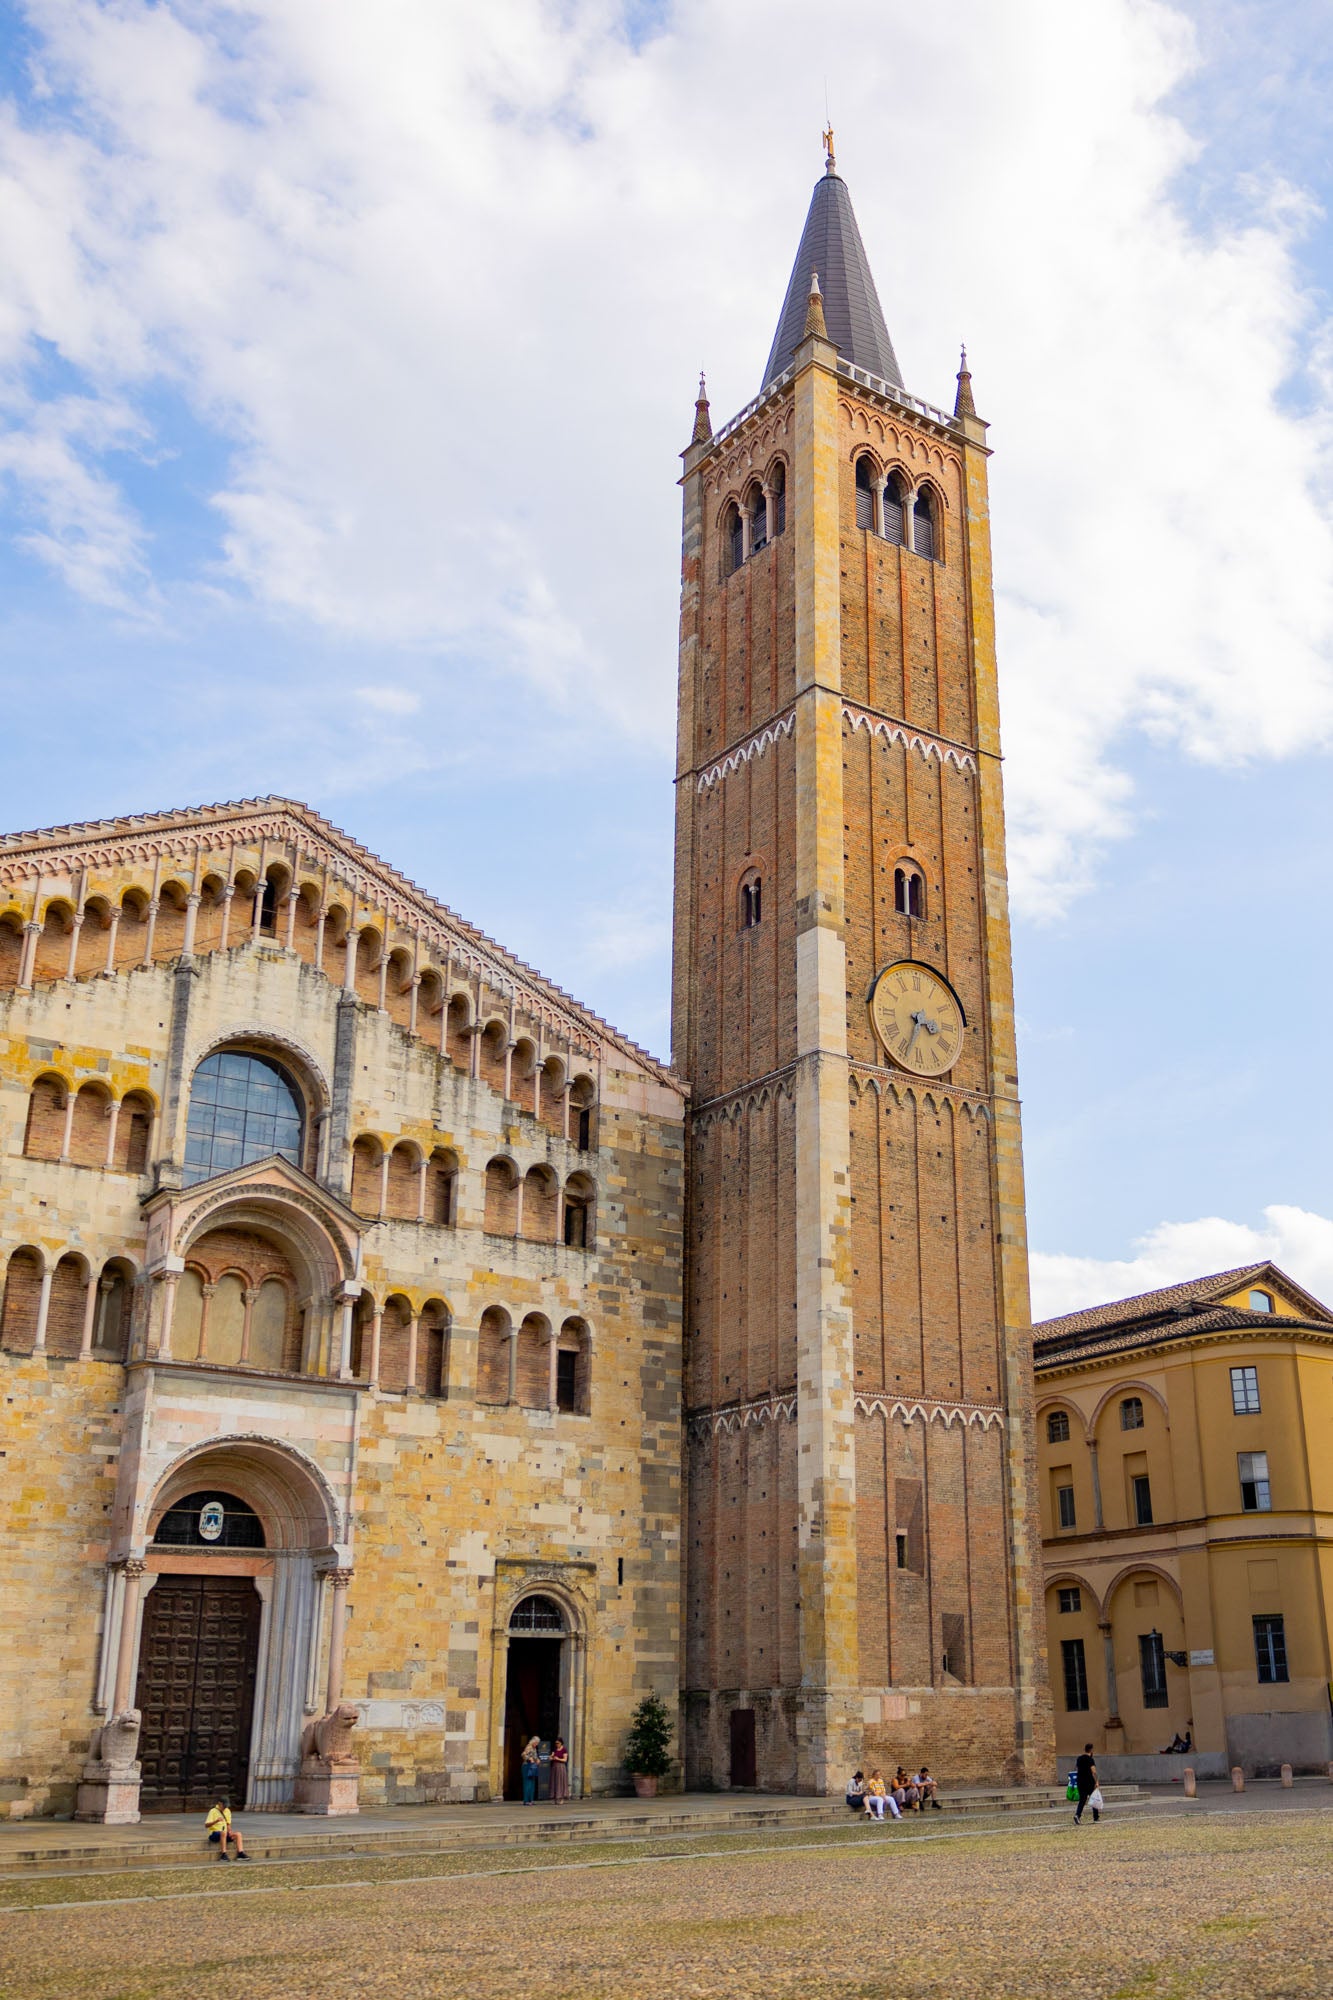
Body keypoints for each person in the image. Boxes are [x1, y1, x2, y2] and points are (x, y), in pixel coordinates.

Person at [1073, 1743, 1100, 1825]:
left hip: (1080, 1782)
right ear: (1091, 1750)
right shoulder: (1090, 1759)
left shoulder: (1079, 1759)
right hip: (1089, 1782)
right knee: (1094, 1799)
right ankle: (1096, 1817)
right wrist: (1097, 1782)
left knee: (1082, 1800)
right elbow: (1094, 1772)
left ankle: (1077, 1815)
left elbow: (1077, 1769)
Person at [520, 1735, 542, 1804]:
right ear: (533, 1742)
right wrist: (529, 1758)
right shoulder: (529, 1746)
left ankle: (531, 1800)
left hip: (532, 1767)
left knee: (532, 1783)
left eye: (537, 1743)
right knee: (527, 1783)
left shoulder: (534, 1748)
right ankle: (526, 1800)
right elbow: (523, 1754)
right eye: (536, 1743)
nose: (537, 1744)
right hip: (527, 1766)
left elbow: (535, 1757)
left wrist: (537, 1760)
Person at [549, 1736, 569, 1803]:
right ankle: (555, 1797)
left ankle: (561, 1798)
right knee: (555, 1782)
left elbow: (565, 1760)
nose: (556, 1744)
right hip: (555, 1767)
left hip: (561, 1767)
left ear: (561, 1743)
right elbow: (552, 1756)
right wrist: (551, 1758)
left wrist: (558, 1759)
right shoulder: (555, 1749)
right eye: (556, 1743)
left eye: (558, 1743)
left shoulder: (564, 1750)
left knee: (561, 1782)